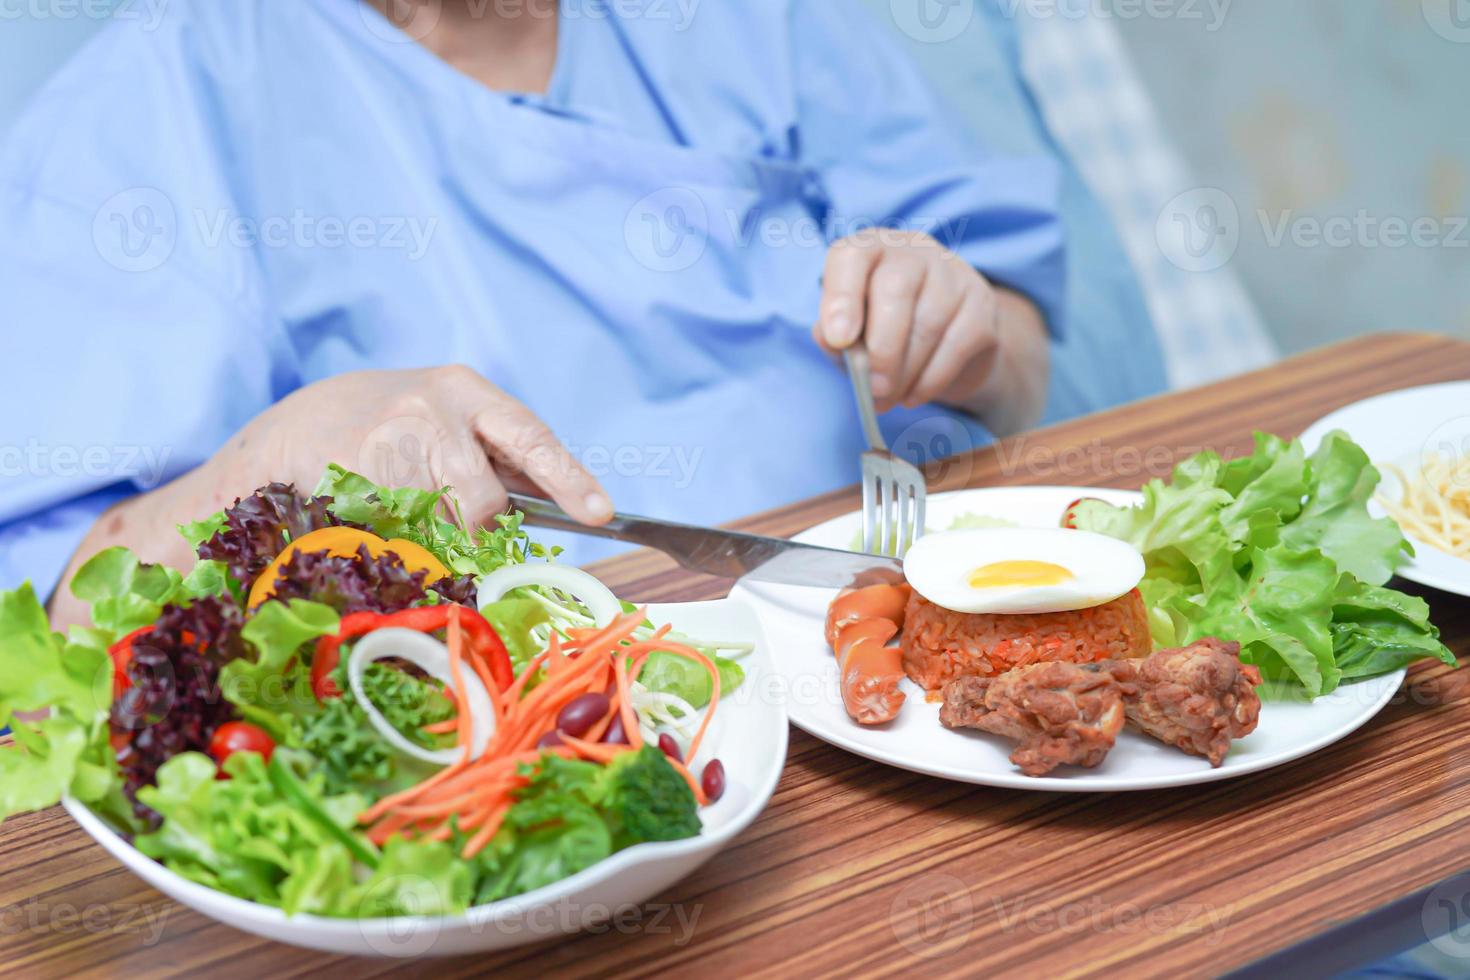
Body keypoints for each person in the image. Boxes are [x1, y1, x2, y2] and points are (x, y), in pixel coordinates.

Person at [0, 0, 1161, 630]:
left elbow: (1017, 358)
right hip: (559, 736)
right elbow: (55, 618)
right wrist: (275, 455)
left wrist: (967, 329)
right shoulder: (157, 100)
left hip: (919, 615)